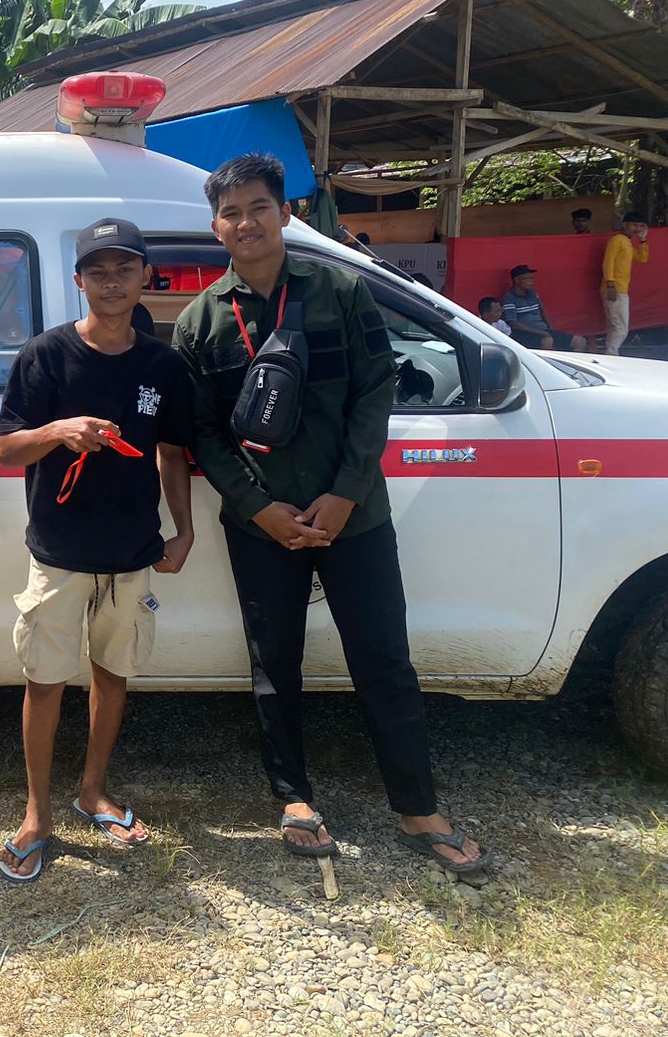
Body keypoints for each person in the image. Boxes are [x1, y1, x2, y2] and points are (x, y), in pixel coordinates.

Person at [173, 154, 490, 876]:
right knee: (272, 666)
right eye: (231, 212)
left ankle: (418, 807)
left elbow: (376, 394)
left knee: (383, 659)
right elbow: (204, 437)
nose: (246, 222)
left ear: (286, 212)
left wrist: (346, 492)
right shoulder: (199, 322)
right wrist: (259, 508)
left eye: (259, 206)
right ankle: (293, 799)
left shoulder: (341, 290)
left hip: (357, 515)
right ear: (215, 225)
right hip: (263, 526)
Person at [0, 218, 195, 883]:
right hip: (57, 552)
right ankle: (36, 815)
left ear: (144, 278)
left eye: (125, 269)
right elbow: (7, 449)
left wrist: (184, 528)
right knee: (44, 682)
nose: (112, 282)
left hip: (133, 551)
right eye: (98, 271)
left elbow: (171, 452)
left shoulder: (162, 365)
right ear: (79, 280)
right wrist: (58, 429)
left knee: (113, 674)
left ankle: (93, 793)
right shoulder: (45, 356)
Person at [502, 265, 587, 352]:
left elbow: (542, 311)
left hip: (544, 331)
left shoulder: (532, 294)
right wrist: (540, 332)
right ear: (517, 280)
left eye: (531, 279)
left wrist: (550, 328)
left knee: (580, 341)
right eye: (526, 279)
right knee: (548, 341)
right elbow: (513, 324)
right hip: (525, 334)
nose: (530, 282)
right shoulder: (509, 298)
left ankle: (567, 365)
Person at [601, 211, 650, 356]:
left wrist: (643, 239)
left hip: (620, 288)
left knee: (615, 326)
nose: (636, 229)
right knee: (621, 327)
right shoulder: (617, 239)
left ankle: (610, 353)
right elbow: (608, 262)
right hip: (615, 288)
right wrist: (610, 284)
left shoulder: (627, 242)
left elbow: (642, 258)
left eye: (639, 226)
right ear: (625, 224)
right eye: (634, 225)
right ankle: (611, 354)